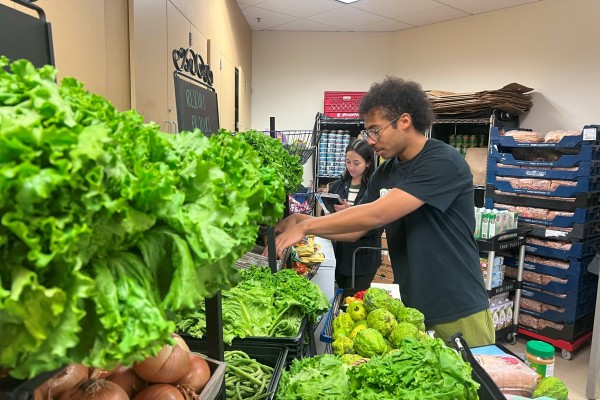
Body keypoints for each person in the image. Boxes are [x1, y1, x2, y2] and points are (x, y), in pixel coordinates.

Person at [275, 76, 494, 347]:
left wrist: (307, 228)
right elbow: (357, 227)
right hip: (414, 307)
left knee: (470, 385)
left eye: (375, 130)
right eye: (367, 132)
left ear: (404, 121)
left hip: (458, 306)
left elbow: (378, 213)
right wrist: (302, 219)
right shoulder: (386, 172)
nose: (371, 140)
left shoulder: (442, 161)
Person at [326, 139, 382, 292]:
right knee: (341, 295)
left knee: (356, 298)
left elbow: (376, 223)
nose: (351, 167)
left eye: (356, 163)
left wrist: (349, 212)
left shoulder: (374, 188)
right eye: (348, 161)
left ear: (368, 163)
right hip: (340, 254)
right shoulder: (339, 184)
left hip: (362, 256)